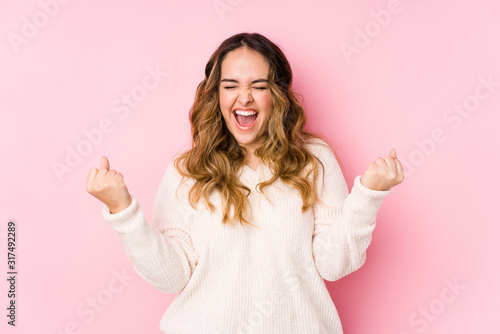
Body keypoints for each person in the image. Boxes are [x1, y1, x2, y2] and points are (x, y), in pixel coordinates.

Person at [86, 32, 404, 334]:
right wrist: (122, 209)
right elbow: (172, 277)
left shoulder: (313, 160)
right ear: (216, 94)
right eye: (231, 85)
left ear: (276, 94)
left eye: (258, 85)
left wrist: (368, 195)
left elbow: (334, 264)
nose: (245, 97)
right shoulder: (188, 170)